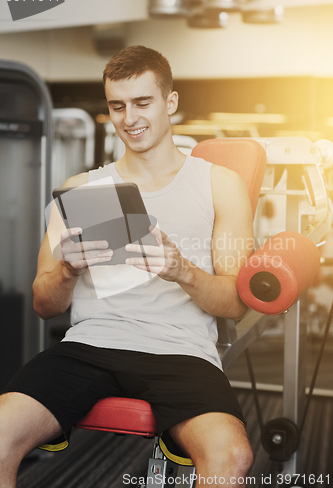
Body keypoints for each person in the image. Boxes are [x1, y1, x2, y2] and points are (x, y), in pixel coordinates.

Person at [0, 45, 254, 487]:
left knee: (231, 457)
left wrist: (182, 271)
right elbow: (44, 304)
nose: (129, 118)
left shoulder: (220, 185)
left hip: (181, 351)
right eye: (118, 106)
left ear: (170, 102)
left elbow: (235, 304)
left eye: (142, 102)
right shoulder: (81, 189)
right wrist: (67, 271)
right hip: (90, 345)